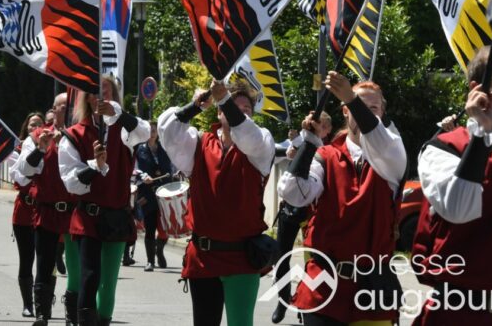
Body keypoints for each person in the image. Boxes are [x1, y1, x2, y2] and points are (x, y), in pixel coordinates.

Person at [412, 46, 492, 324]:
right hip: (457, 314)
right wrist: (481, 133)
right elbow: (459, 208)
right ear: (476, 89)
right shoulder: (442, 148)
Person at [278, 72, 407, 325]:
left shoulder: (392, 153)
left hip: (373, 287)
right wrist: (310, 142)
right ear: (345, 112)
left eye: (373, 108)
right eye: (359, 107)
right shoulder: (326, 155)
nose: (366, 113)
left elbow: (380, 140)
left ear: (382, 113)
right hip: (323, 284)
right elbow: (293, 192)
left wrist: (351, 97)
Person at [158, 79, 275, 326]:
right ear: (219, 113)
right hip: (204, 257)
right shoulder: (199, 143)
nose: (241, 113)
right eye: (233, 107)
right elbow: (168, 133)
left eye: (246, 110)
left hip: (242, 257)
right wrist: (194, 106)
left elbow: (249, 137)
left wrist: (225, 99)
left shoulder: (261, 144)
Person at [59, 76, 149, 326]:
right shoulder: (74, 135)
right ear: (87, 98)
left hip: (117, 217)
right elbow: (71, 182)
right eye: (96, 92)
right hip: (88, 218)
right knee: (89, 278)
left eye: (107, 91)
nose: (101, 96)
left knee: (108, 286)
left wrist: (118, 114)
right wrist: (95, 166)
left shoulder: (125, 129)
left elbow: (145, 132)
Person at [15, 93, 80, 326]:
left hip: (74, 212)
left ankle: (72, 314)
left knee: (76, 267)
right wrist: (40, 149)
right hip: (48, 210)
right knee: (44, 263)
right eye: (62, 106)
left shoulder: (81, 135)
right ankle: (42, 314)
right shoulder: (37, 137)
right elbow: (23, 171)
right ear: (53, 109)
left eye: (70, 106)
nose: (68, 110)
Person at [271, 112, 332, 324]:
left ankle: (304, 301)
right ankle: (282, 300)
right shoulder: (303, 143)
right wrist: (295, 149)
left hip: (310, 213)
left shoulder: (328, 152)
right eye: (316, 125)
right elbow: (288, 159)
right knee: (281, 257)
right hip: (289, 209)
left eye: (322, 126)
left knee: (311, 261)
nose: (318, 128)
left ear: (327, 130)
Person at [8, 112, 44, 317]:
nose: (35, 128)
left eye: (39, 124)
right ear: (26, 128)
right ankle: (27, 304)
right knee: (27, 258)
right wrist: (35, 158)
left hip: (44, 210)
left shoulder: (51, 149)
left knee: (46, 259)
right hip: (24, 211)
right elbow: (21, 178)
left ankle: (43, 302)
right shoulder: (17, 151)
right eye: (32, 125)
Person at [133, 120, 173, 271]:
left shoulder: (165, 148)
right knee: (150, 227)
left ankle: (159, 250)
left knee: (165, 227)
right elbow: (135, 169)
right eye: (149, 130)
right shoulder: (139, 149)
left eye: (154, 130)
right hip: (147, 193)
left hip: (164, 192)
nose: (151, 132)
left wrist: (178, 172)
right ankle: (150, 261)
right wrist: (143, 176)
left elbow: (173, 165)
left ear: (158, 133)